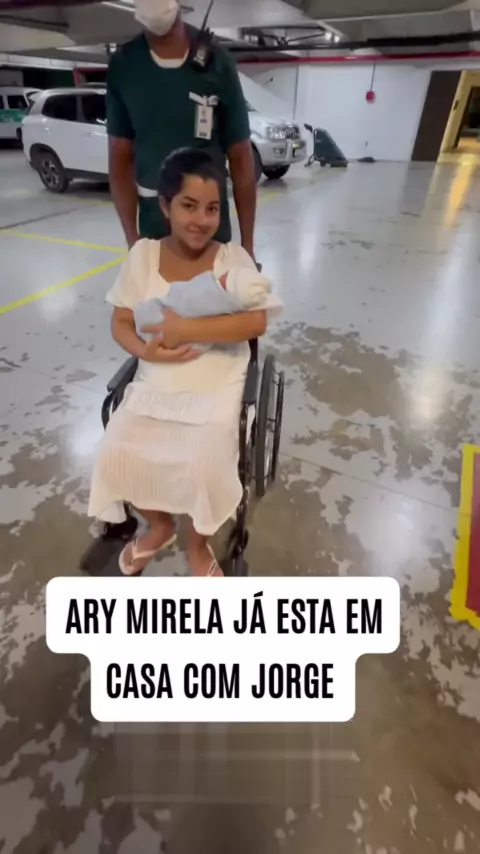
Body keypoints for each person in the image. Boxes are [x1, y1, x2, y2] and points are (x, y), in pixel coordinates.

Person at [87, 148, 282, 577]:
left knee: (204, 462)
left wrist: (184, 328)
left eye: (212, 209)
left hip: (218, 378)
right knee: (114, 453)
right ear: (165, 205)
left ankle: (197, 545)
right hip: (157, 376)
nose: (201, 220)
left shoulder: (232, 259)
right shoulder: (143, 256)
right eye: (189, 206)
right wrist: (145, 351)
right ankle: (159, 527)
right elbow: (121, 321)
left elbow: (256, 322)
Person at [107, 0, 257, 261]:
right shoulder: (125, 66)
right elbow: (120, 160)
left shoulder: (217, 63)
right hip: (155, 229)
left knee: (213, 284)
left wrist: (247, 249)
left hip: (210, 229)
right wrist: (133, 241)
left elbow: (241, 158)